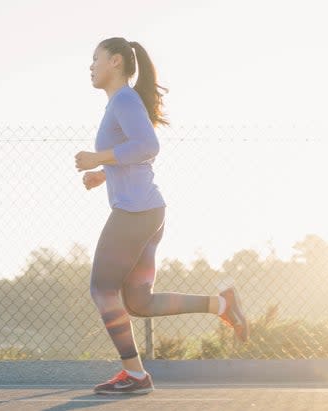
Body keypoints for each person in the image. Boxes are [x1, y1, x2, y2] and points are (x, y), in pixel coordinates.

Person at [74, 37, 249, 395]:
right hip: (148, 211)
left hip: (135, 213)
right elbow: (137, 155)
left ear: (117, 62)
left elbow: (148, 147)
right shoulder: (120, 103)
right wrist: (103, 173)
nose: (90, 66)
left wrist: (98, 157)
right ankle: (222, 304)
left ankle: (136, 375)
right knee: (138, 301)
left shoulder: (123, 99)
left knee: (102, 289)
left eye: (96, 59)